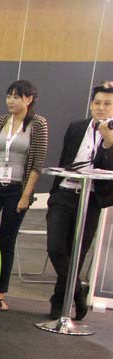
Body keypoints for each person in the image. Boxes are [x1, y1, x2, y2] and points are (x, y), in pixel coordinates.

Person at [0, 79, 49, 312]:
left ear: (29, 99)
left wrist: (26, 195)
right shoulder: (0, 122)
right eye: (9, 96)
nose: (11, 101)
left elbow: (37, 164)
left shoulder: (38, 124)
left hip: (17, 188)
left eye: (17, 96)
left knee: (7, 239)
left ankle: (0, 292)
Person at [45, 82, 113, 321]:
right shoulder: (76, 127)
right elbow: (65, 160)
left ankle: (59, 301)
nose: (101, 108)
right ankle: (77, 290)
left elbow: (109, 172)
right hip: (64, 193)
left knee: (77, 254)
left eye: (107, 104)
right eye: (97, 103)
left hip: (91, 200)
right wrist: (53, 194)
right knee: (55, 247)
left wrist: (108, 143)